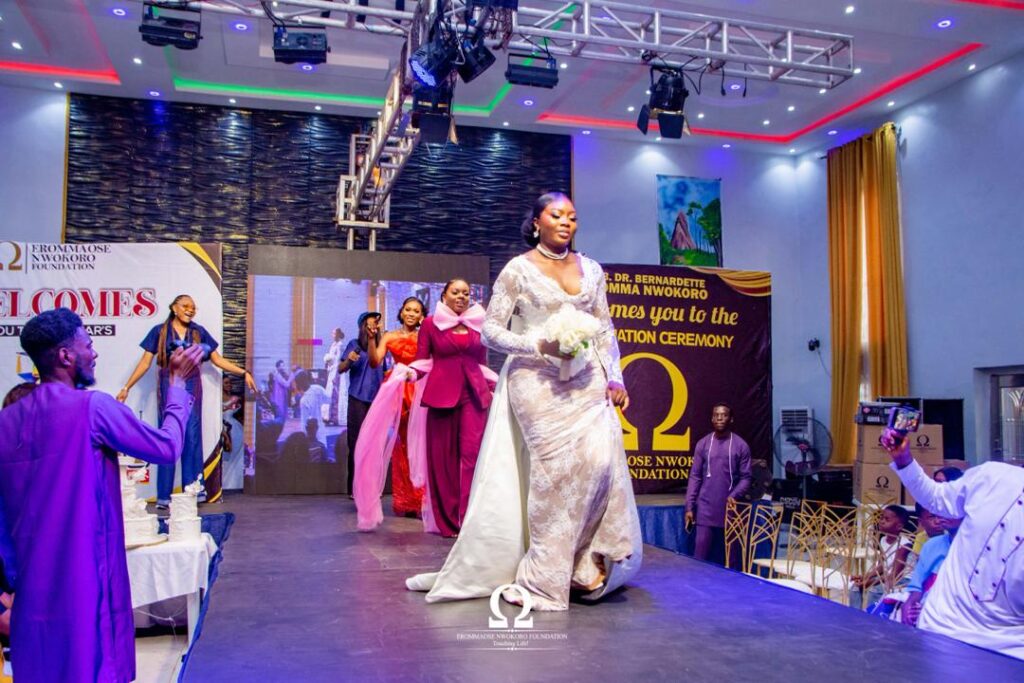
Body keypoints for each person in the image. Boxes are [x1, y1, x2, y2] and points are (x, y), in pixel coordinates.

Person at [408, 192, 642, 611]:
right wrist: (540, 344)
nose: (566, 222)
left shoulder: (592, 270)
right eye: (557, 215)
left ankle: (583, 562)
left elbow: (605, 329)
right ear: (537, 222)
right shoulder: (517, 269)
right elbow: (491, 331)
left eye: (572, 216)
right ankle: (544, 575)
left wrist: (615, 376)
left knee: (599, 464)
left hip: (587, 379)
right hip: (535, 381)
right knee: (553, 477)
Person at [0, 308, 202, 682]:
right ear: (66, 355)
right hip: (86, 596)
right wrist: (176, 387)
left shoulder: (5, 422)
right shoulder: (92, 409)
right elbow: (166, 448)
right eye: (88, 345)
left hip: (31, 602)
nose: (94, 353)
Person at [882, 427, 1024, 659]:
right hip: (939, 626)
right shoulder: (993, 477)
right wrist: (904, 459)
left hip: (1008, 652)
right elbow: (936, 498)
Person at [118, 294, 256, 507]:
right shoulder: (159, 331)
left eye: (193, 307)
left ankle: (193, 493)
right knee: (169, 438)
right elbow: (145, 363)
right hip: (169, 388)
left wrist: (243, 372)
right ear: (174, 308)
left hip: (192, 390)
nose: (190, 310)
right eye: (185, 306)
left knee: (192, 438)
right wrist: (126, 387)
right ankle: (164, 497)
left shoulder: (198, 332)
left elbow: (217, 360)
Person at [414, 280, 493, 537]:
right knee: (443, 460)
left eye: (466, 293)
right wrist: (409, 373)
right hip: (441, 397)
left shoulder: (478, 323)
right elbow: (422, 360)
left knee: (472, 456)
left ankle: (469, 518)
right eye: (455, 292)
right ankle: (448, 522)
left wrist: (494, 386)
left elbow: (481, 363)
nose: (461, 296)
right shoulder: (430, 324)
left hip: (474, 394)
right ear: (444, 295)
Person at [366, 297, 426, 517]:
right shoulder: (390, 336)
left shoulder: (425, 336)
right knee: (402, 444)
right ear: (401, 312)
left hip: (419, 386)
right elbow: (375, 361)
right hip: (398, 389)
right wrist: (371, 339)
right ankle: (407, 500)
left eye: (416, 311)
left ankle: (422, 499)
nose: (411, 313)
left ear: (421, 316)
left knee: (419, 443)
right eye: (408, 309)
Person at [684, 403, 753, 565]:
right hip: (705, 509)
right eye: (716, 415)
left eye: (724, 415)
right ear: (712, 419)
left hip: (730, 509)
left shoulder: (741, 445)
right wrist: (689, 506)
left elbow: (746, 478)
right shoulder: (703, 444)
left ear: (731, 419)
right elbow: (695, 477)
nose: (720, 418)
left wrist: (734, 495)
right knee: (699, 558)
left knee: (731, 559)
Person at [339, 312, 385, 494]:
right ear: (362, 327)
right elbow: (340, 368)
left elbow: (386, 372)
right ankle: (354, 488)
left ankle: (372, 488)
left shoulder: (382, 347)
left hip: (377, 401)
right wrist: (349, 360)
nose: (373, 327)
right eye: (369, 324)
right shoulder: (354, 345)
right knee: (356, 444)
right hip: (357, 399)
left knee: (375, 445)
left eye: (375, 324)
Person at [902, 505, 963, 627]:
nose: (941, 516)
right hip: (928, 609)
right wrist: (910, 604)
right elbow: (917, 585)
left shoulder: (977, 549)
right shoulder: (932, 545)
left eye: (950, 510)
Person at [852, 504, 912, 610]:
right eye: (881, 518)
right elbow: (881, 566)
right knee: (855, 587)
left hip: (902, 580)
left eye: (887, 519)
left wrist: (871, 582)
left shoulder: (904, 545)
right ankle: (855, 614)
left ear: (899, 526)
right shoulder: (883, 539)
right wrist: (865, 577)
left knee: (875, 591)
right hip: (887, 576)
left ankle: (872, 616)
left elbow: (895, 575)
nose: (882, 521)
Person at [295, 370, 330, 449]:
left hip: (311, 431)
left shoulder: (304, 400)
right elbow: (328, 400)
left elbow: (304, 421)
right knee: (323, 448)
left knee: (314, 451)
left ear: (299, 384)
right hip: (321, 426)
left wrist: (303, 435)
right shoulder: (318, 388)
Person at [323, 328, 348, 427]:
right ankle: (328, 417)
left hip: (336, 371)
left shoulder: (340, 345)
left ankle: (335, 417)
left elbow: (338, 359)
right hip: (332, 370)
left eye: (334, 333)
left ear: (337, 335)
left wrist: (335, 371)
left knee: (336, 394)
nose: (332, 335)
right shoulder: (333, 344)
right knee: (330, 393)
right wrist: (327, 361)